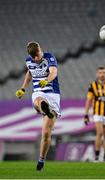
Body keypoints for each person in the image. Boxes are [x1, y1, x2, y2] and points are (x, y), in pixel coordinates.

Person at [15, 41, 60, 171]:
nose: (40, 54)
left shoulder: (49, 57)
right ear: (33, 57)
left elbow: (54, 72)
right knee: (38, 100)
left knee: (46, 134)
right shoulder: (29, 61)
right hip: (38, 92)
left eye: (40, 51)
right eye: (38, 54)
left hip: (53, 95)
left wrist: (46, 80)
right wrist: (23, 88)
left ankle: (41, 161)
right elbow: (29, 73)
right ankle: (43, 107)